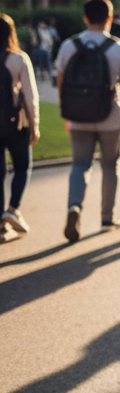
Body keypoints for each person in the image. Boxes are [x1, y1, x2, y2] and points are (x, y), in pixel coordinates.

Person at [55, 0, 120, 241]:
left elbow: (61, 83)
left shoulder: (69, 46)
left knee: (80, 164)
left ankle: (74, 206)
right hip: (111, 117)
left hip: (78, 117)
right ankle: (107, 217)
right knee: (110, 165)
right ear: (110, 18)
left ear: (85, 18)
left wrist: (67, 112)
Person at [0, 13, 40, 240]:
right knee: (22, 166)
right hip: (15, 123)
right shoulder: (19, 59)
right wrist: (34, 125)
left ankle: (0, 224)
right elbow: (30, 97)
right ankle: (13, 208)